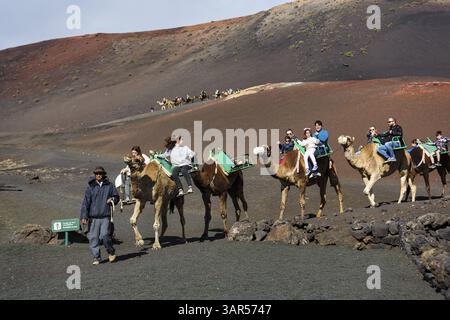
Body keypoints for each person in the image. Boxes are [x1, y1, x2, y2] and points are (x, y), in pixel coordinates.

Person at [80, 167, 120, 265]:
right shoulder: (90, 187)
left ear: (103, 174)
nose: (98, 175)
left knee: (105, 235)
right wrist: (84, 216)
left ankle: (111, 252)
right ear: (95, 175)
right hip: (93, 218)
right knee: (93, 237)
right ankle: (96, 257)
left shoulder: (109, 186)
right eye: (97, 173)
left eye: (100, 173)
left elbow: (116, 197)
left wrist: (112, 199)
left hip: (105, 216)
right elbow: (85, 203)